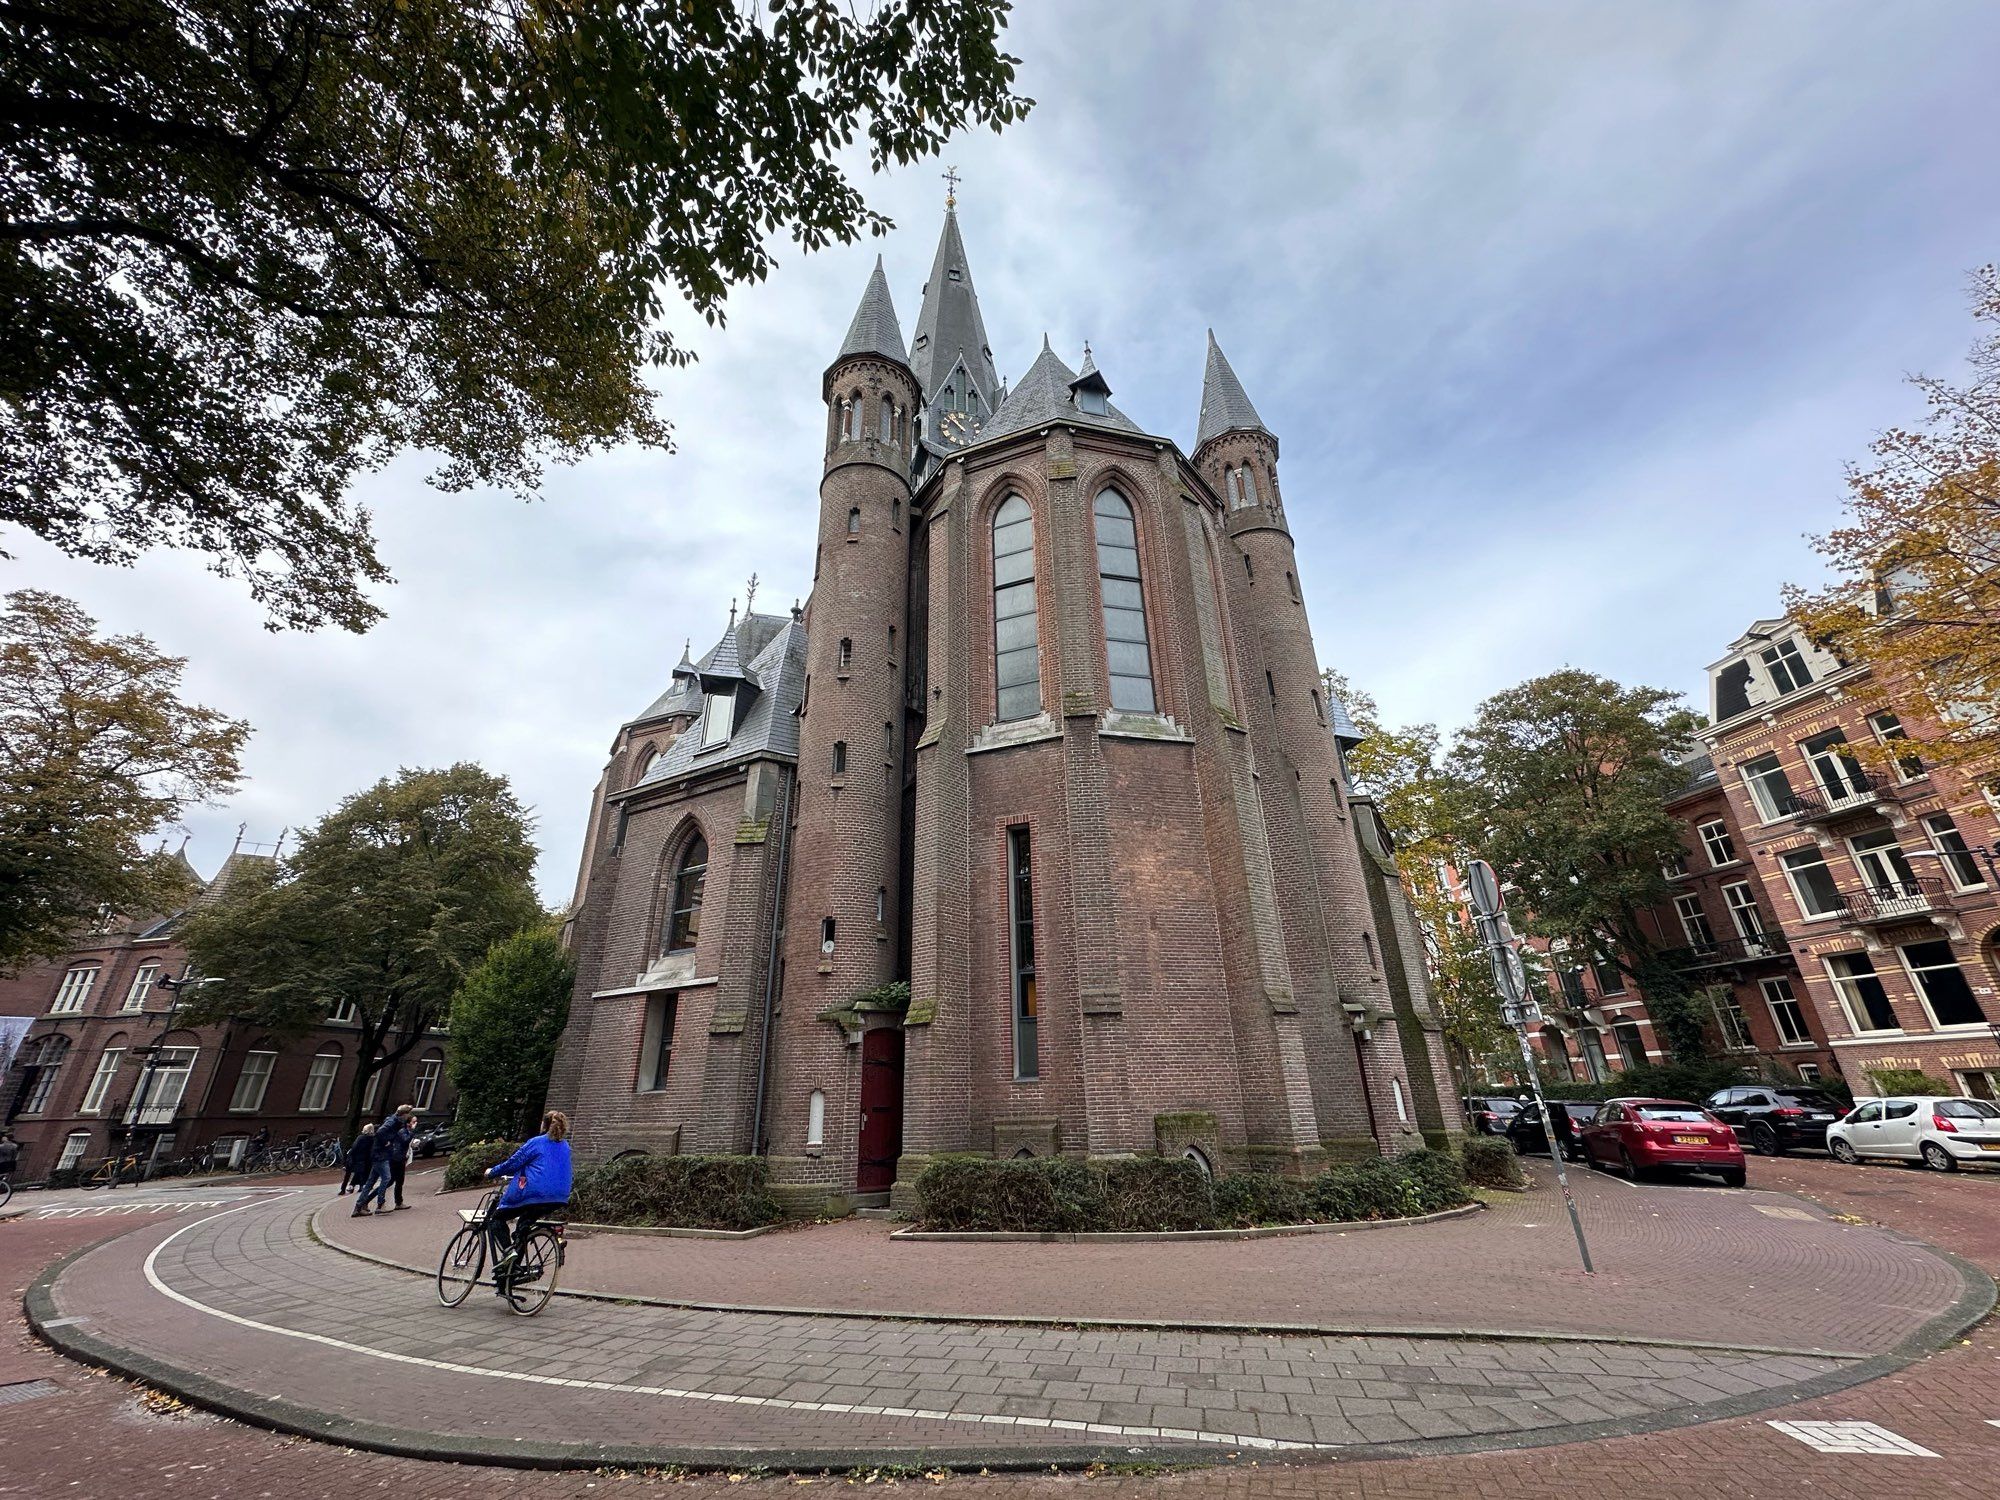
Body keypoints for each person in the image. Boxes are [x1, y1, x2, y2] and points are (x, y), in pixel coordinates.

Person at [482, 1111, 573, 1296]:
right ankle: (510, 1276)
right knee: (523, 1228)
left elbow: (513, 1163)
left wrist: (492, 1172)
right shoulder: (565, 1145)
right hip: (559, 1197)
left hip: (535, 1194)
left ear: (544, 1125)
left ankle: (508, 1253)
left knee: (495, 1220)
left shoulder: (536, 1142)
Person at [354, 1108, 411, 1216]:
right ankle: (380, 1205)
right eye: (407, 1115)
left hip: (379, 1155)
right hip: (381, 1155)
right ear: (403, 1115)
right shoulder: (392, 1122)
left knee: (370, 1183)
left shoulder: (393, 1120)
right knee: (387, 1178)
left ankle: (359, 1206)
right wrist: (386, 1142)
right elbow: (380, 1132)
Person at [386, 1102, 416, 1208]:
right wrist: (412, 1130)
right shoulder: (401, 1128)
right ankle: (372, 1199)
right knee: (391, 1181)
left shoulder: (401, 1127)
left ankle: (398, 1202)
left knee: (398, 1181)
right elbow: (404, 1141)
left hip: (399, 1157)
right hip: (397, 1157)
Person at [339, 1123, 375, 1196]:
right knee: (361, 1173)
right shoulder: (372, 1139)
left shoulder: (360, 1138)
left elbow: (354, 1147)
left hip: (355, 1158)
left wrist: (349, 1157)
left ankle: (343, 1189)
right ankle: (361, 1188)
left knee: (348, 1174)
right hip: (365, 1159)